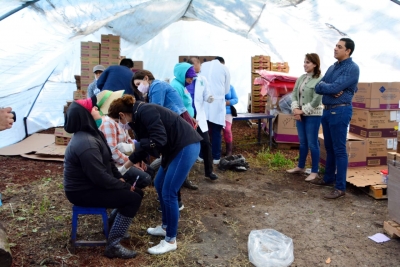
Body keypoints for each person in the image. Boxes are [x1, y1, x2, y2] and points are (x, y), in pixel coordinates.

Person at [110, 95, 202, 255]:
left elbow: (159, 139)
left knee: (169, 191)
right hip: (173, 149)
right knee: (159, 184)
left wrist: (133, 146)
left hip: (185, 146)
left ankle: (170, 240)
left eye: (117, 121)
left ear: (122, 115)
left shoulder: (145, 111)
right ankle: (166, 227)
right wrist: (124, 168)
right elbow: (144, 149)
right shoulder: (136, 120)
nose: (118, 125)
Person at [63, 97, 142, 259]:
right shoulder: (86, 143)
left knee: (137, 193)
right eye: (93, 109)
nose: (98, 110)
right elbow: (99, 177)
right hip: (82, 191)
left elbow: (109, 161)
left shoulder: (94, 133)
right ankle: (113, 245)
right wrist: (124, 186)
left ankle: (113, 226)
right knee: (132, 198)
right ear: (85, 115)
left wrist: (120, 178)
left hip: (91, 185)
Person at [131, 69, 198, 190]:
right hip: (175, 120)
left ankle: (174, 188)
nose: (139, 88)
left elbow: (155, 109)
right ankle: (173, 184)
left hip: (176, 122)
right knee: (172, 156)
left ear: (146, 78)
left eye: (138, 84)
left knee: (175, 156)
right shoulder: (153, 89)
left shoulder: (157, 86)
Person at [310, 38, 360, 199]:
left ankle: (340, 188)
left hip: (340, 111)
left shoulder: (352, 68)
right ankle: (328, 178)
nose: (335, 49)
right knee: (329, 147)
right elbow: (318, 86)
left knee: (339, 149)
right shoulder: (332, 68)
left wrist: (332, 88)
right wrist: (329, 88)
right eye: (335, 46)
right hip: (328, 111)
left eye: (339, 47)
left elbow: (336, 87)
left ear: (348, 51)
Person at [95, 90, 153, 190]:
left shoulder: (120, 123)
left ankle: (131, 191)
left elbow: (129, 141)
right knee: (145, 178)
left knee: (150, 171)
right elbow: (113, 152)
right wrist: (131, 162)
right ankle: (123, 191)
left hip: (124, 160)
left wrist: (137, 158)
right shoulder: (108, 123)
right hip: (116, 164)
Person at [286, 53, 323, 182]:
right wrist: (296, 109)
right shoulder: (301, 78)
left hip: (313, 115)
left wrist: (302, 111)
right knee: (302, 142)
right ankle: (300, 166)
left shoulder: (319, 80)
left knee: (312, 143)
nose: (304, 64)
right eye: (304, 62)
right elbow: (294, 95)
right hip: (300, 113)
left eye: (307, 62)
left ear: (314, 64)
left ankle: (314, 171)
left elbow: (316, 100)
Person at [186, 57, 218, 180]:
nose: (196, 73)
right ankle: (185, 175)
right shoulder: (181, 81)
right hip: (186, 117)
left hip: (199, 117)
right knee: (185, 145)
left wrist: (209, 98)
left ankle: (209, 171)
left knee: (206, 143)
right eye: (196, 65)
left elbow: (206, 94)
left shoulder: (201, 79)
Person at [200, 56, 231, 164]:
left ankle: (201, 155)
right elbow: (227, 90)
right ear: (222, 62)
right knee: (216, 131)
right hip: (217, 103)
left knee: (203, 130)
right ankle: (216, 157)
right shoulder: (224, 68)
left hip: (204, 102)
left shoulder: (203, 66)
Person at [223, 85, 238, 157]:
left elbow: (236, 99)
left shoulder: (230, 87)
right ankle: (214, 150)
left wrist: (227, 103)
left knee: (227, 130)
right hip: (216, 112)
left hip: (227, 112)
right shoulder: (214, 85)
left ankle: (229, 151)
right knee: (213, 131)